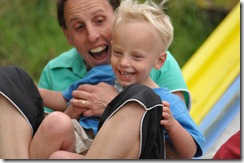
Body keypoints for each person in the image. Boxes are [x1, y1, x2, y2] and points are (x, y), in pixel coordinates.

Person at [30, 0, 205, 159]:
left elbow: (189, 152)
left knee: (59, 159)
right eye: (118, 53)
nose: (124, 63)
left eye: (136, 57)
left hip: (121, 153)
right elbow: (63, 98)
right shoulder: (102, 74)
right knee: (56, 122)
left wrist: (173, 126)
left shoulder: (167, 103)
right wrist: (29, 89)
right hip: (84, 142)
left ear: (159, 61)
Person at [38, 0, 191, 118]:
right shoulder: (54, 72)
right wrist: (71, 115)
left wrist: (117, 105)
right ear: (67, 35)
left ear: (119, 18)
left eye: (99, 20)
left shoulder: (159, 62)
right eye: (79, 27)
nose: (92, 36)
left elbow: (176, 149)